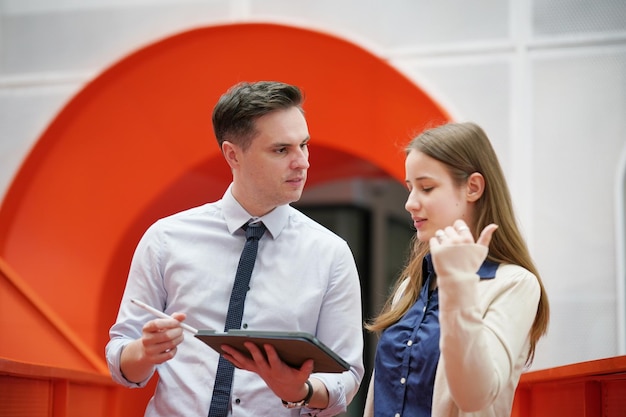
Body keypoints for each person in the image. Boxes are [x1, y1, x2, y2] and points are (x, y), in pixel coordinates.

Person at [106, 81, 364, 417]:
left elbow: (348, 375)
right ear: (233, 154)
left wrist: (299, 392)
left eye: (304, 145)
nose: (302, 162)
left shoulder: (330, 253)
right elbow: (120, 360)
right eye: (281, 150)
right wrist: (144, 352)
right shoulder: (165, 239)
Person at [363, 122, 549, 417]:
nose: (410, 203)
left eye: (426, 187)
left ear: (473, 187)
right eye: (410, 188)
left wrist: (458, 284)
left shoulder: (514, 283)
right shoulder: (411, 286)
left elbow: (475, 396)